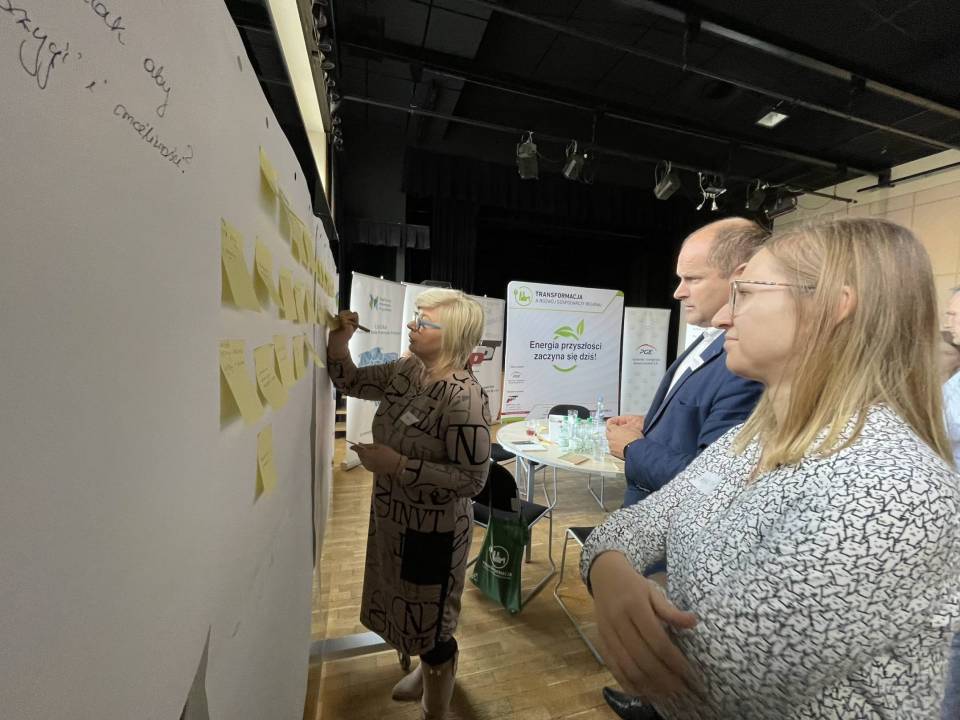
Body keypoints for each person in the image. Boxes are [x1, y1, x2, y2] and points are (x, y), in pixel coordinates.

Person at [583, 217, 960, 719]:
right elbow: (637, 524)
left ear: (833, 306)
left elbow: (721, 678)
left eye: (745, 293)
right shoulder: (750, 439)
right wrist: (609, 567)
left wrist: (625, 604)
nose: (722, 318)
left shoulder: (891, 488)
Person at [602, 218, 766, 719]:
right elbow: (696, 428)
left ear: (740, 277)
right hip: (654, 526)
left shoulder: (746, 364)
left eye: (692, 278)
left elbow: (712, 480)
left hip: (680, 539)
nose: (678, 291)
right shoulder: (711, 338)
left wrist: (634, 449)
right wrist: (649, 426)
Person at [327, 288, 490, 720]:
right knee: (403, 602)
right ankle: (426, 670)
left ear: (452, 335)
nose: (411, 325)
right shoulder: (406, 370)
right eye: (416, 317)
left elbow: (473, 480)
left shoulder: (464, 398)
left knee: (431, 622)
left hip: (432, 533)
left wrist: (399, 465)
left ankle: (435, 703)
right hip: (392, 519)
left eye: (423, 321)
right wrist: (339, 342)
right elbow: (350, 381)